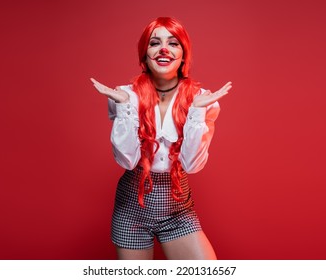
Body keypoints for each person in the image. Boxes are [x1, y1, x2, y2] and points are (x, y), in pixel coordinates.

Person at [90, 17, 232, 260]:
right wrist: (124, 107)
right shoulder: (125, 96)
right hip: (131, 208)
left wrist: (197, 111)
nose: (164, 49)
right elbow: (127, 161)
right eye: (155, 43)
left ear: (183, 55)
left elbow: (191, 165)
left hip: (177, 208)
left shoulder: (202, 100)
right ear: (145, 55)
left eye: (173, 43)